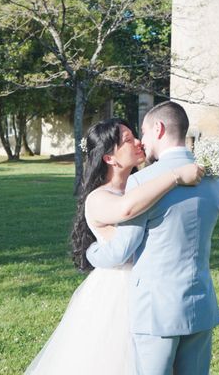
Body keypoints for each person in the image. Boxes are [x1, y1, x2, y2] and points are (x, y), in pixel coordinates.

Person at [25, 117, 203, 375]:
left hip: (155, 288)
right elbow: (127, 209)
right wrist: (175, 175)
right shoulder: (99, 198)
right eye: (129, 139)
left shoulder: (144, 185)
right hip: (117, 293)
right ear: (110, 158)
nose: (140, 142)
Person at [87, 101, 219, 375]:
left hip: (158, 311)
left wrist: (91, 251)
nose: (141, 141)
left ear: (159, 129)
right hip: (201, 304)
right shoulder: (214, 178)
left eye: (144, 133)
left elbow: (122, 250)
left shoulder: (142, 183)